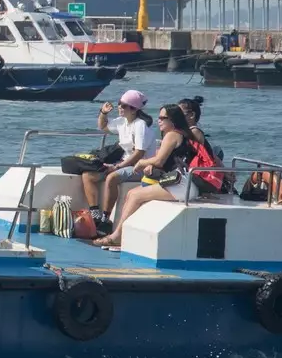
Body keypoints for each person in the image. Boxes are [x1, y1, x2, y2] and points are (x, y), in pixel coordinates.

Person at [94, 104, 198, 249]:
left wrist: (143, 162)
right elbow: (165, 161)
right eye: (159, 117)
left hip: (181, 185)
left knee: (136, 196)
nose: (159, 121)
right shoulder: (179, 134)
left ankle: (116, 236)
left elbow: (159, 160)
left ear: (173, 120)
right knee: (131, 194)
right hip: (179, 182)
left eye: (163, 118)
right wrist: (151, 164)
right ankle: (123, 233)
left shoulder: (172, 135)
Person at [64, 89, 156, 226]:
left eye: (124, 105)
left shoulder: (140, 125)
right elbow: (103, 126)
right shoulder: (122, 121)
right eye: (120, 104)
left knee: (111, 177)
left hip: (141, 166)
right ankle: (95, 213)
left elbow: (139, 154)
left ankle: (105, 219)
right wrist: (103, 113)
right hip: (124, 162)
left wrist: (117, 167)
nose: (120, 107)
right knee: (88, 175)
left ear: (134, 109)